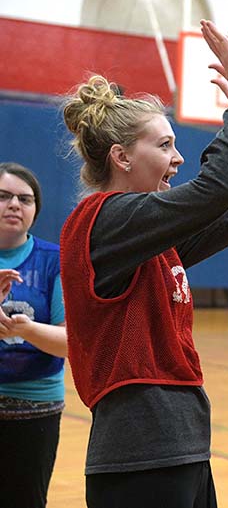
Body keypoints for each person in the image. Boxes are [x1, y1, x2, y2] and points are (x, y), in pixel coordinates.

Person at [59, 20, 228, 508]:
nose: (177, 159)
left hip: (183, 445)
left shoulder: (148, 238)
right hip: (140, 454)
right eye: (164, 145)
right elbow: (217, 190)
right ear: (122, 158)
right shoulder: (104, 222)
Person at [0, 162, 68, 508]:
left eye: (25, 199)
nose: (14, 204)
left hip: (35, 406)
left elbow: (71, 341)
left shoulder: (54, 261)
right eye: (4, 196)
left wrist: (20, 328)